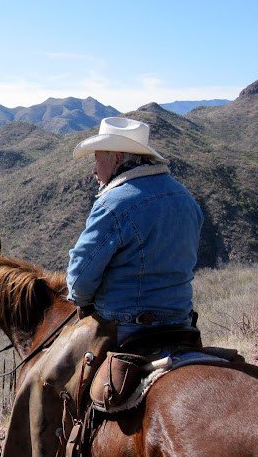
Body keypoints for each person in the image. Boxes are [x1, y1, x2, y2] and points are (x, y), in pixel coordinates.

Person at [66, 117, 203, 346]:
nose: (94, 171)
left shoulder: (112, 203)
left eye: (98, 160)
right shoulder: (185, 197)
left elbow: (81, 276)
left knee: (48, 378)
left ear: (117, 159)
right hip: (182, 321)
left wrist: (80, 298)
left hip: (125, 325)